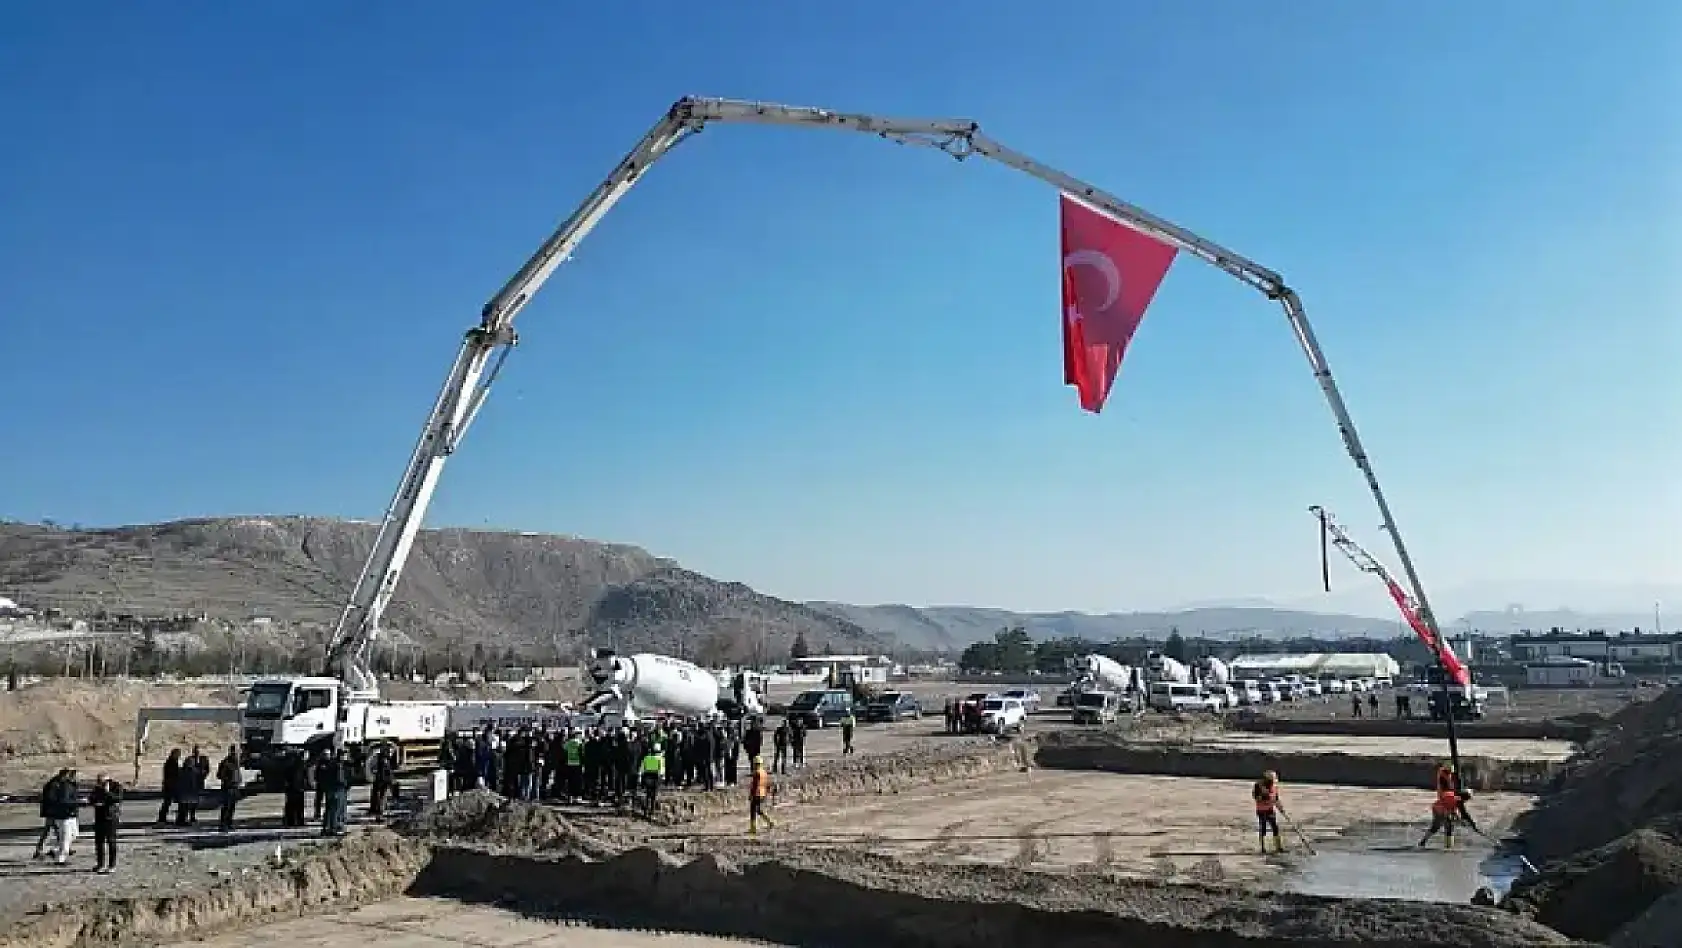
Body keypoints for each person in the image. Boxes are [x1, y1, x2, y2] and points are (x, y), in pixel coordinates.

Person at [89, 775, 122, 874]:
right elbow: (92, 798)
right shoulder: (97, 788)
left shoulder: (116, 787)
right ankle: (100, 864)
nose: (100, 783)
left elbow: (118, 799)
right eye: (98, 781)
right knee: (99, 842)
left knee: (111, 841)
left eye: (102, 781)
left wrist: (107, 792)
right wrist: (94, 801)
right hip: (99, 817)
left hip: (111, 817)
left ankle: (112, 865)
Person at [1252, 770, 1284, 854]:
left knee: (1275, 828)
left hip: (1270, 810)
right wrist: (1264, 795)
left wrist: (1280, 808)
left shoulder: (1274, 787)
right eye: (1271, 780)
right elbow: (1256, 797)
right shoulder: (1258, 785)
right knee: (1263, 829)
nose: (1273, 782)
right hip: (1261, 810)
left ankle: (1278, 847)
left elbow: (1276, 799)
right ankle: (1263, 848)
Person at [319, 749, 349, 838]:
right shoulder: (338, 765)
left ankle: (326, 828)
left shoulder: (330, 763)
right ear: (342, 756)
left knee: (329, 810)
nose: (346, 757)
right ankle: (334, 828)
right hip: (337, 790)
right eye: (345, 755)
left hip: (330, 790)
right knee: (337, 810)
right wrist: (346, 784)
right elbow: (340, 779)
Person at [216, 746, 243, 833]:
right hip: (228, 788)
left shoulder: (236, 763)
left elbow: (238, 774)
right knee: (226, 807)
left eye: (237, 752)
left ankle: (229, 823)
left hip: (235, 787)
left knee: (232, 807)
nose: (236, 754)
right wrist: (227, 780)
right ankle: (223, 825)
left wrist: (238, 781)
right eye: (234, 752)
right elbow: (219, 775)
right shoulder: (226, 762)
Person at [748, 755, 776, 835]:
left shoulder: (757, 773)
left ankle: (753, 828)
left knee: (753, 810)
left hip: (757, 794)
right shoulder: (764, 772)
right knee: (759, 810)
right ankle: (769, 821)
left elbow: (755, 785)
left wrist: (751, 795)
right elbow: (767, 784)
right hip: (762, 794)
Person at [638, 741, 665, 818]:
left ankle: (646, 810)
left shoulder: (646, 758)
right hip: (655, 778)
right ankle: (651, 811)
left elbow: (642, 768)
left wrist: (640, 777)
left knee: (648, 795)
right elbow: (661, 770)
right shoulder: (660, 759)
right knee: (653, 796)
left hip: (647, 777)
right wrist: (662, 778)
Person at [157, 749, 183, 825]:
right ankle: (162, 818)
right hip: (170, 786)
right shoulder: (171, 763)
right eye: (178, 754)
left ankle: (162, 818)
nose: (179, 756)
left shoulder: (172, 762)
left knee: (167, 802)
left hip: (170, 785)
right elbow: (172, 774)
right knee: (167, 802)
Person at [369, 745, 396, 819]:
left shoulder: (382, 758)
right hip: (382, 781)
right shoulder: (383, 759)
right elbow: (387, 772)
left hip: (381, 780)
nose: (391, 753)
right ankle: (379, 813)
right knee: (381, 797)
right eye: (390, 752)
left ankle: (379, 812)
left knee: (380, 797)